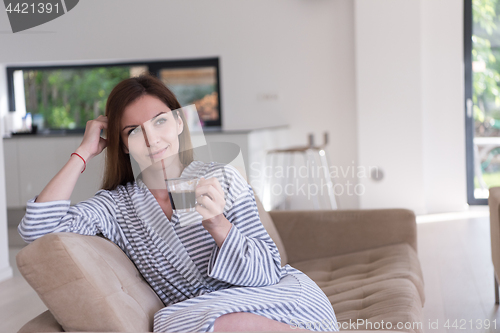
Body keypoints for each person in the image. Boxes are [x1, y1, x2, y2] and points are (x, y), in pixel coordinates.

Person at [18, 75, 339, 332]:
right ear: (123, 145)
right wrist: (84, 151)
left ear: (180, 123)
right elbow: (37, 230)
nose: (152, 139)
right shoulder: (115, 207)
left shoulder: (222, 178)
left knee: (214, 322)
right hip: (199, 317)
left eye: (160, 121)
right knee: (172, 322)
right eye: (133, 131)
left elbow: (268, 271)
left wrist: (219, 225)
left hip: (272, 299)